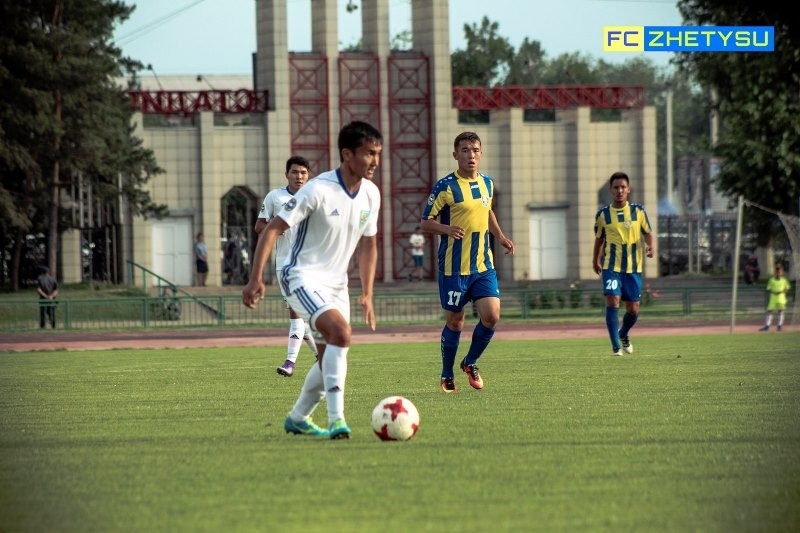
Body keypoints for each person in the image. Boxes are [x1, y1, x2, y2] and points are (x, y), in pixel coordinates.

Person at [242, 121, 383, 439]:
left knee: (328, 356)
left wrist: (367, 293)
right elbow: (271, 229)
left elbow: (369, 245)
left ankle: (298, 418)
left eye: (377, 154)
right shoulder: (318, 189)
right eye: (368, 154)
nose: (375, 161)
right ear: (347, 154)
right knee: (341, 334)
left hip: (337, 285)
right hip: (300, 277)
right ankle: (337, 421)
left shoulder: (371, 194)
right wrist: (256, 279)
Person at [420, 131, 515, 393]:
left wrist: (500, 236)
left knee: (491, 316)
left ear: (481, 154)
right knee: (456, 322)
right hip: (454, 268)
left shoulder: (487, 183)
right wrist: (446, 229)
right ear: (455, 155)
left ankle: (470, 362)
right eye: (464, 150)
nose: (470, 155)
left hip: (483, 265)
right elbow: (425, 222)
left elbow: (487, 211)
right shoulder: (445, 187)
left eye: (474, 150)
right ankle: (447, 373)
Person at [255, 155, 319, 377]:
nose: (299, 176)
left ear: (308, 175)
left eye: (303, 172)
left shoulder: (316, 197)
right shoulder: (275, 197)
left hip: (310, 265)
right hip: (284, 264)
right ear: (286, 174)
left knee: (298, 314)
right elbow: (259, 226)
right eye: (295, 172)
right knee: (299, 314)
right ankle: (320, 355)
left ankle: (290, 362)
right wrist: (273, 229)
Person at [592, 171, 655, 356]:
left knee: (633, 309)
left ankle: (623, 333)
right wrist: (595, 259)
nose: (619, 190)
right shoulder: (603, 215)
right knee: (613, 300)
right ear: (611, 190)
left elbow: (648, 233)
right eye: (616, 187)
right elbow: (599, 240)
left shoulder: (639, 211)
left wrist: (651, 246)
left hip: (633, 268)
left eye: (623, 187)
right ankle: (615, 346)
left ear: (628, 189)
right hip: (611, 267)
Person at [759, 263, 791, 332]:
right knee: (770, 311)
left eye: (779, 272)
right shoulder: (771, 280)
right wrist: (773, 291)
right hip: (773, 298)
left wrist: (782, 291)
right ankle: (767, 326)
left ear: (782, 272)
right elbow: (768, 288)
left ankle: (779, 326)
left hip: (781, 299)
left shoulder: (784, 280)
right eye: (777, 272)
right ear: (775, 272)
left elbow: (787, 288)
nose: (778, 273)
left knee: (780, 311)